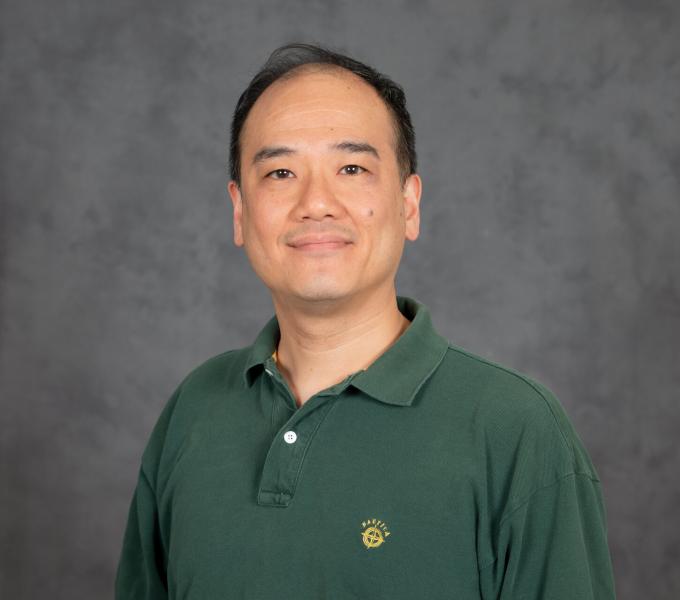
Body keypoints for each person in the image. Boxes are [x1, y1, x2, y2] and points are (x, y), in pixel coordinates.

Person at [115, 43, 616, 599]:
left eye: (351, 168)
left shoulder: (517, 430)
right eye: (281, 172)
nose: (317, 203)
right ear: (239, 211)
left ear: (409, 204)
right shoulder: (194, 410)